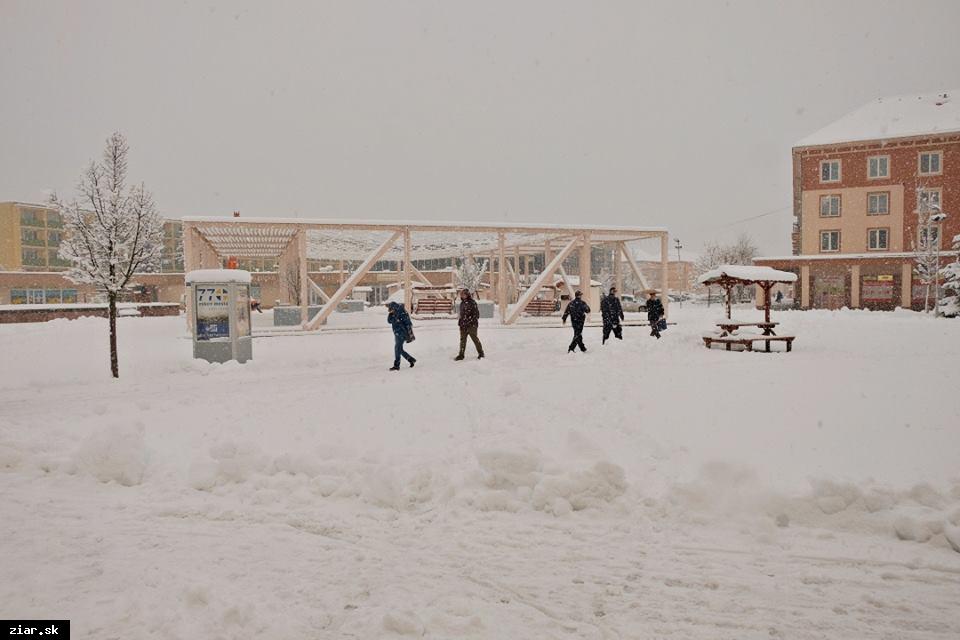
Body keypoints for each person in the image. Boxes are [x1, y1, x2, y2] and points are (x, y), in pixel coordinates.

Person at [455, 289, 484, 361]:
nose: (461, 295)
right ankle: (461, 355)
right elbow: (462, 315)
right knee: (462, 340)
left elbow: (476, 315)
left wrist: (469, 321)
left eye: (463, 294)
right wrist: (461, 322)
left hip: (472, 325)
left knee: (475, 339)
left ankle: (481, 353)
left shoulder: (472, 303)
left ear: (467, 295)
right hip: (463, 325)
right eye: (461, 294)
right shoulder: (462, 303)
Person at [386, 301, 416, 371]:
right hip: (397, 333)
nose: (391, 311)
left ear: (394, 308)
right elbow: (389, 321)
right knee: (399, 349)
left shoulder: (402, 313)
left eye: (391, 309)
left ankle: (396, 365)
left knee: (397, 348)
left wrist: (408, 334)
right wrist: (390, 314)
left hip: (402, 333)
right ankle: (411, 359)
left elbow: (408, 323)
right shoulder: (394, 313)